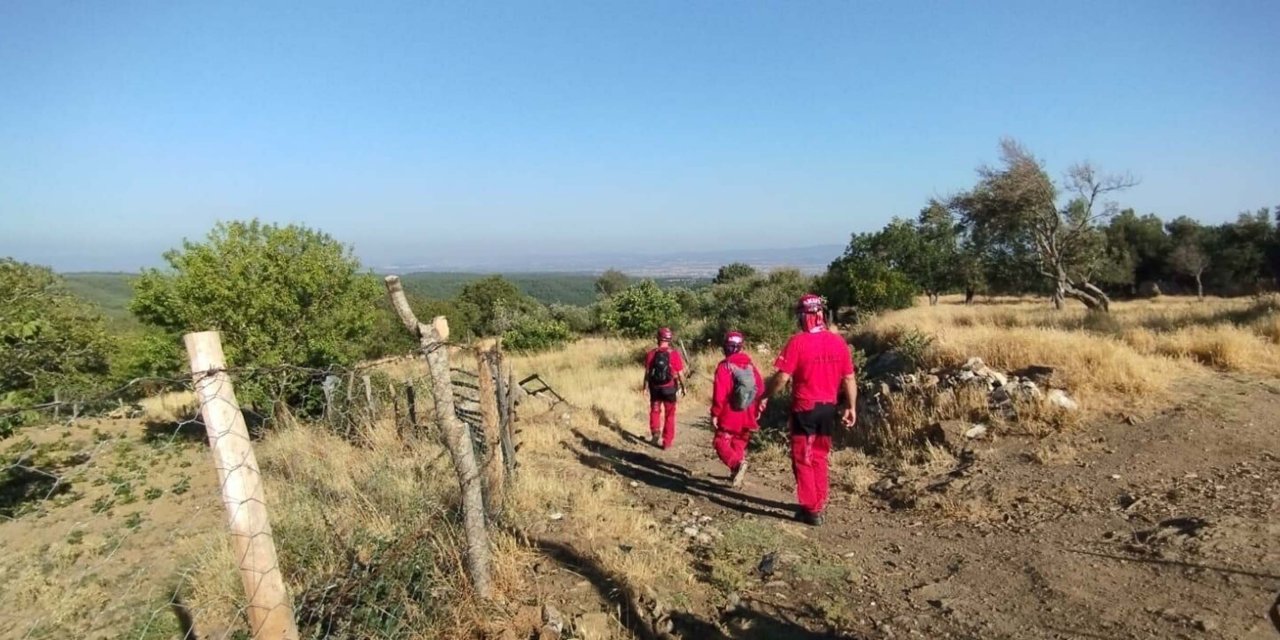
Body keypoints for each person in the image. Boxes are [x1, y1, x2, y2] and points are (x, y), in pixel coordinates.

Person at [758, 294, 857, 526]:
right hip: (828, 407)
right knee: (819, 456)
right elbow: (849, 378)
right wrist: (851, 406)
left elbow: (782, 377)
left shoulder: (798, 342)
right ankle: (819, 501)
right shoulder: (838, 342)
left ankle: (811, 509)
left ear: (803, 316)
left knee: (802, 457)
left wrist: (765, 396)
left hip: (805, 408)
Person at [709, 331, 764, 487]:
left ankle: (736, 464)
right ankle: (736, 474)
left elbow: (720, 394)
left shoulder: (724, 366)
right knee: (739, 442)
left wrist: (715, 413)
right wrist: (759, 408)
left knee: (720, 441)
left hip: (730, 413)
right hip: (748, 412)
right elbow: (760, 389)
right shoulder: (750, 366)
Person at [640, 327, 685, 449]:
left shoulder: (651, 354)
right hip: (669, 389)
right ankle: (667, 441)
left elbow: (647, 373)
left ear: (658, 338)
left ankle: (655, 431)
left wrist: (645, 387)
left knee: (655, 410)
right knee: (670, 414)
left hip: (655, 388)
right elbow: (680, 374)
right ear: (669, 339)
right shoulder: (674, 354)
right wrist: (683, 387)